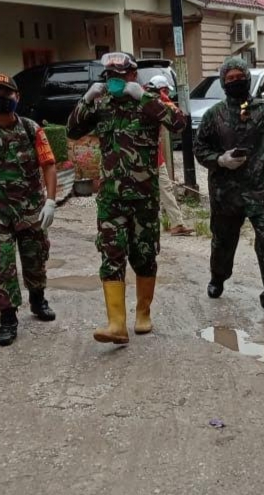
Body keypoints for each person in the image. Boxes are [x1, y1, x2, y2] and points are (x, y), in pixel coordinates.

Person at [67, 52, 186, 344]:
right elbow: (72, 130)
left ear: (132, 76)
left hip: (144, 198)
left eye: (120, 77)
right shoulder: (103, 105)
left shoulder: (149, 101)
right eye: (109, 77)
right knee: (111, 255)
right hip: (111, 198)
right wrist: (86, 99)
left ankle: (143, 313)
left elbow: (179, 122)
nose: (114, 82)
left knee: (144, 256)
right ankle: (116, 323)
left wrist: (144, 98)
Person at [193, 57, 264, 323]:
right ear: (224, 83)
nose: (236, 82)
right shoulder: (214, 115)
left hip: (259, 190)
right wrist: (220, 159)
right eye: (230, 79)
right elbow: (199, 149)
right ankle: (218, 276)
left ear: (247, 79)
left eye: (240, 77)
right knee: (223, 242)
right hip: (225, 193)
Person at [0, 73, 58, 347]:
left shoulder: (32, 129)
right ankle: (8, 319)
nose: (1, 99)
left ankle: (38, 300)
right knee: (3, 264)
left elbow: (49, 165)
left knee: (34, 258)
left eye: (6, 94)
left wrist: (50, 201)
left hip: (31, 209)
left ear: (17, 97)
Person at [145, 75, 194, 237]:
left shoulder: (142, 99)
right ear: (162, 90)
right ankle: (172, 224)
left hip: (151, 157)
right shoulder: (157, 103)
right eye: (166, 91)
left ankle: (176, 224)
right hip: (149, 157)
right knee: (159, 190)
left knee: (161, 189)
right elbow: (178, 120)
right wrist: (166, 100)